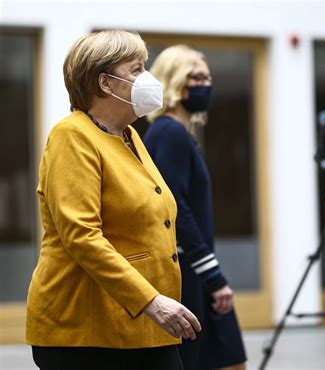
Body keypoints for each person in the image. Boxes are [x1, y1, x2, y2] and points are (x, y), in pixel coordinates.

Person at [26, 30, 201, 370]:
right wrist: (151, 300)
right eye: (136, 69)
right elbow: (82, 236)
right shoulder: (72, 136)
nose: (147, 78)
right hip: (85, 330)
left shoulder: (130, 135)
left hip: (140, 324)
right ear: (105, 83)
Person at [143, 45, 247, 370]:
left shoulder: (176, 132)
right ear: (173, 81)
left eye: (208, 77)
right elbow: (175, 208)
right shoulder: (170, 132)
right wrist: (213, 276)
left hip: (193, 268)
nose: (205, 84)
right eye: (195, 77)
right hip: (187, 271)